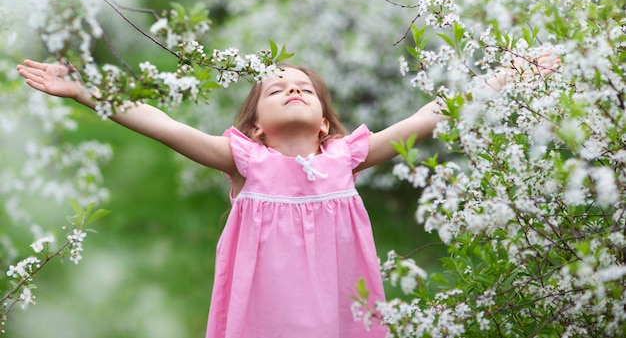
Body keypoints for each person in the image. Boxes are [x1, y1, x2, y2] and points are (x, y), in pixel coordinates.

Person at [16, 55, 558, 338]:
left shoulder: (346, 157)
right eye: (276, 89)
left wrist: (508, 77)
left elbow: (429, 116)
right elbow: (161, 124)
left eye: (303, 88)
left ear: (325, 121)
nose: (292, 89)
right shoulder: (246, 161)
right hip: (267, 314)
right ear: (255, 128)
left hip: (338, 307)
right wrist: (85, 90)